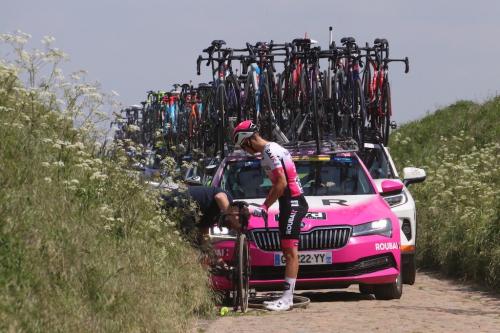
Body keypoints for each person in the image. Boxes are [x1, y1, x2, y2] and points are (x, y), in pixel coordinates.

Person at [233, 120, 309, 311]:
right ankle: (286, 297)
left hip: (293, 201)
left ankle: (287, 299)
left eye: (243, 147)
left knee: (290, 252)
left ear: (248, 141)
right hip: (288, 202)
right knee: (287, 250)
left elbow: (281, 183)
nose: (245, 151)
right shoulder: (271, 149)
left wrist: (264, 207)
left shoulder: (269, 151)